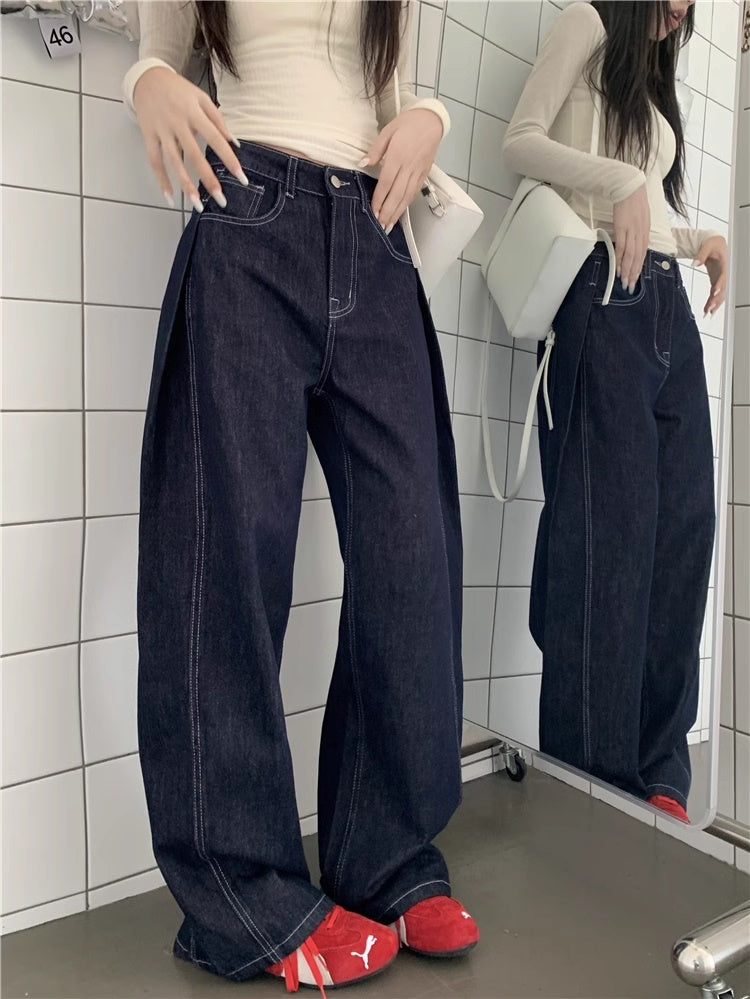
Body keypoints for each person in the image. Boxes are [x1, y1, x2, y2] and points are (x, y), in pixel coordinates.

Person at [123, 1, 478, 992]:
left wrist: (432, 117)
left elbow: (392, 93)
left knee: (413, 554)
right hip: (248, 213)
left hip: (376, 234)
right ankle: (243, 896)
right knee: (224, 559)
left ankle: (387, 859)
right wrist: (147, 83)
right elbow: (158, 55)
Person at [502, 0, 728, 823]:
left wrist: (696, 239)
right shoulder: (588, 22)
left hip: (665, 302)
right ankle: (590, 780)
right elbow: (520, 140)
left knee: (684, 529)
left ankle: (658, 767)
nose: (683, 9)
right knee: (607, 539)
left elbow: (646, 210)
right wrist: (620, 180)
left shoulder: (650, 65)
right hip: (602, 297)